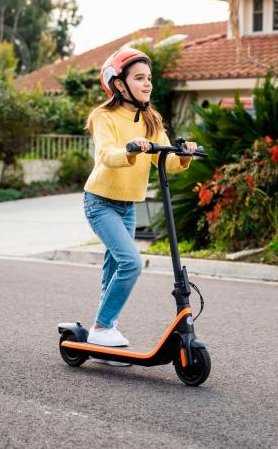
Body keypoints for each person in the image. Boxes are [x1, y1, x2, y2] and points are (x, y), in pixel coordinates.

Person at [83, 47, 196, 352]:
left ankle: (103, 335)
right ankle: (103, 327)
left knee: (112, 271)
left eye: (149, 78)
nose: (148, 84)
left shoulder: (151, 121)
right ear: (119, 84)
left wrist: (182, 155)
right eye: (139, 78)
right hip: (100, 202)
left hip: (128, 205)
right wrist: (131, 150)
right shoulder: (103, 117)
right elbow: (107, 155)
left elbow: (166, 162)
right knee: (131, 263)